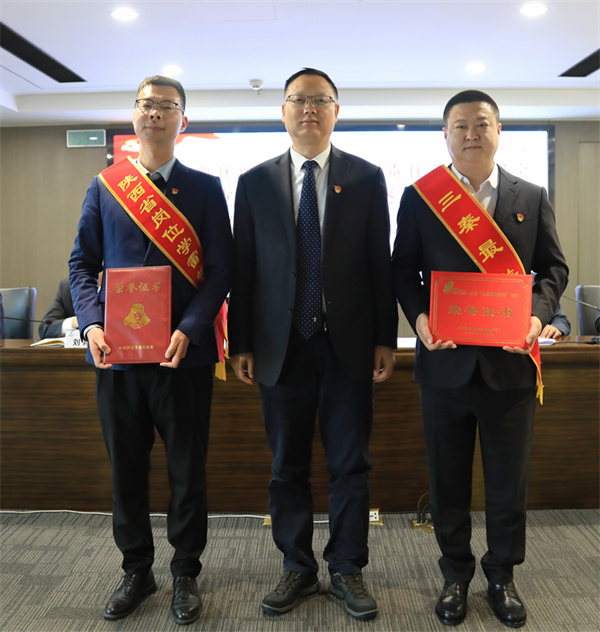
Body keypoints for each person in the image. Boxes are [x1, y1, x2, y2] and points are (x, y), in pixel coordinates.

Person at [392, 90, 568, 628]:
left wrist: (537, 318)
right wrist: (419, 319)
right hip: (444, 365)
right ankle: (455, 575)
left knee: (507, 483)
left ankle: (502, 576)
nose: (472, 134)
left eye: (482, 124)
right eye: (461, 125)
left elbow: (553, 270)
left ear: (498, 131)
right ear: (446, 134)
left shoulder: (530, 195)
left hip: (510, 366)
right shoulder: (422, 197)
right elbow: (402, 270)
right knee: (447, 480)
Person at [228, 68, 398, 621]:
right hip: (280, 348)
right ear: (282, 111)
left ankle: (347, 567)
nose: (308, 109)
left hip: (347, 345)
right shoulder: (253, 182)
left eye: (320, 100)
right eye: (298, 100)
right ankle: (296, 567)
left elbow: (379, 264)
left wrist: (384, 337)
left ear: (335, 111)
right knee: (286, 467)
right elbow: (244, 269)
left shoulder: (366, 177)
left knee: (351, 465)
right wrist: (241, 342)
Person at [69, 75, 234, 625]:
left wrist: (191, 326)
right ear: (134, 115)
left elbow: (221, 271)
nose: (155, 113)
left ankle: (186, 571)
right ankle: (136, 569)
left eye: (167, 106)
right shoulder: (105, 186)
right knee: (127, 470)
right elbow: (80, 265)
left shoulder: (205, 189)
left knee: (187, 469)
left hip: (183, 357)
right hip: (117, 358)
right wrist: (91, 324)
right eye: (146, 104)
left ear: (183, 121)